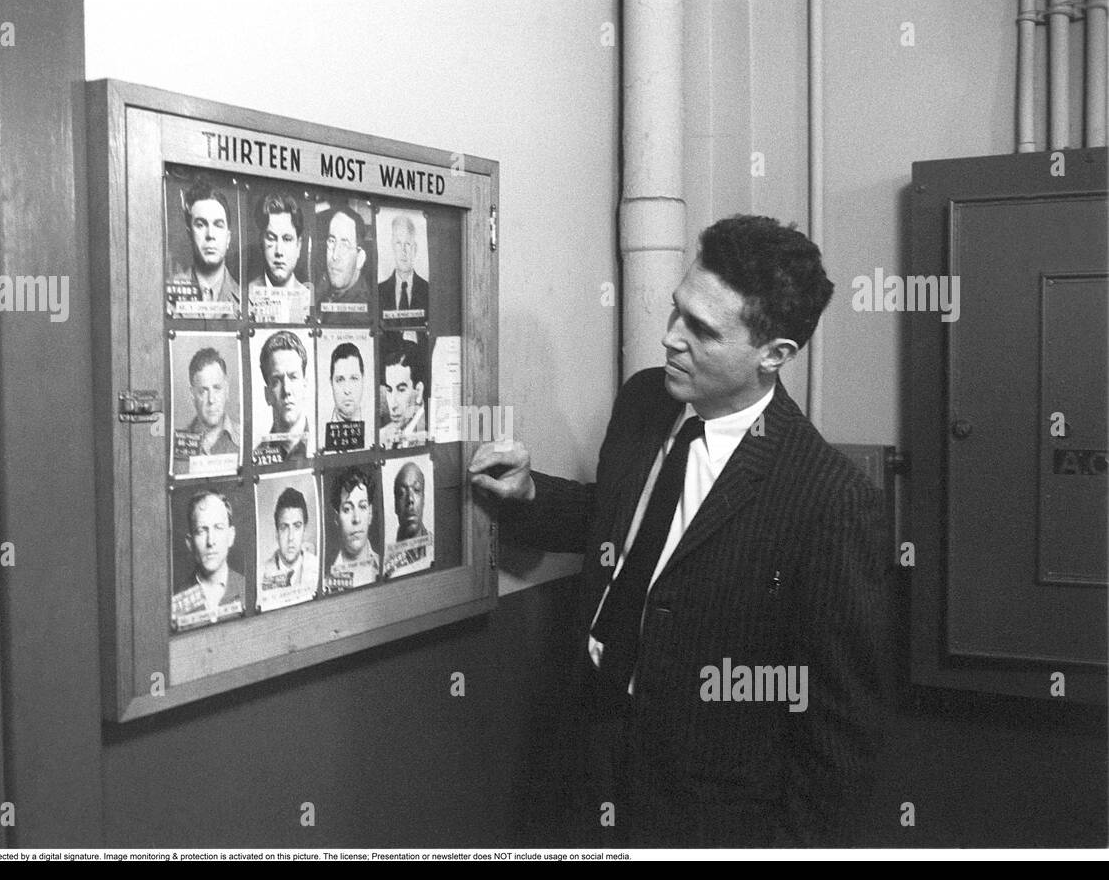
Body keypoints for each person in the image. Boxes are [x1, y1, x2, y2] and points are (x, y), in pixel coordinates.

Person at [469, 214, 891, 847]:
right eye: (675, 312)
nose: (669, 338)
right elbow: (622, 524)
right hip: (587, 747)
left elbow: (844, 728)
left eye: (701, 330)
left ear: (775, 355)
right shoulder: (646, 401)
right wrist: (530, 495)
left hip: (705, 808)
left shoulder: (830, 500)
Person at [171, 489, 245, 628]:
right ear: (190, 542)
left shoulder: (249, 589)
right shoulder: (176, 602)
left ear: (231, 536)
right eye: (201, 531)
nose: (211, 541)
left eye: (218, 528)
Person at [170, 180, 240, 305]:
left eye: (218, 225)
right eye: (201, 225)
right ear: (189, 234)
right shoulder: (168, 295)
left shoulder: (246, 300)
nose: (210, 235)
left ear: (228, 238)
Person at [248, 192, 311, 322]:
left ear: (298, 246)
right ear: (261, 242)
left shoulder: (309, 299)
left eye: (287, 239)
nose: (279, 251)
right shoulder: (246, 296)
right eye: (271, 239)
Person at [257, 330, 309, 461]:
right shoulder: (257, 458)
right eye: (277, 381)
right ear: (267, 394)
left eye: (293, 377)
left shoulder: (322, 444)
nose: (287, 390)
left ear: (305, 386)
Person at [326, 466, 380, 589]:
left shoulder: (388, 567)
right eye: (347, 509)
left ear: (370, 513)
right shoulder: (325, 580)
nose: (356, 519)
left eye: (362, 507)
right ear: (336, 518)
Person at [179, 346, 239, 456]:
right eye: (203, 391)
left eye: (217, 388)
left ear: (227, 390)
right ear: (192, 394)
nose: (211, 400)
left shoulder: (248, 438)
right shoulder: (178, 443)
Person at [314, 206, 370, 320]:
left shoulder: (361, 315)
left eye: (345, 245)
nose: (335, 255)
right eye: (331, 241)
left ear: (360, 258)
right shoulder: (323, 287)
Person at [260, 487, 319, 595]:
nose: (290, 537)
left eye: (297, 526)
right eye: (284, 527)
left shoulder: (318, 567)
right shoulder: (260, 575)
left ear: (304, 530)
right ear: (276, 533)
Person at [385, 461, 433, 578]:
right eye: (402, 493)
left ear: (423, 500)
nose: (410, 499)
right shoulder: (386, 562)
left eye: (416, 490)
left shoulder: (437, 546)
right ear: (396, 505)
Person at [379, 337, 427, 447]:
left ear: (419, 392)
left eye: (401, 390)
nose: (393, 404)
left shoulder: (427, 434)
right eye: (389, 390)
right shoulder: (382, 434)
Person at [378, 214, 429, 312]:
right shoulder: (379, 291)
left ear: (415, 249)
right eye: (398, 243)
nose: (403, 251)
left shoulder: (428, 290)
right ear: (392, 247)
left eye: (408, 244)